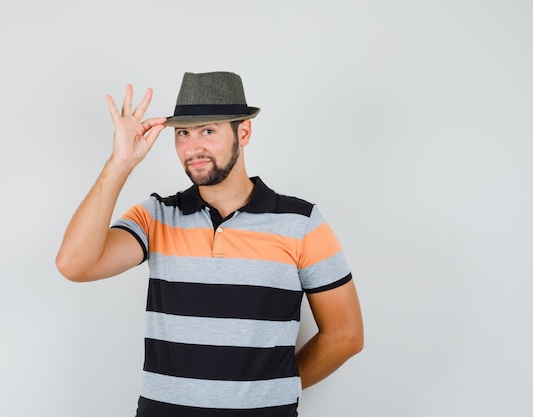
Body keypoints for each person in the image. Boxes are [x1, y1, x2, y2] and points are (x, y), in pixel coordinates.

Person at [56, 71, 363, 417]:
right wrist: (120, 163)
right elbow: (74, 264)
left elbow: (346, 334)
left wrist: (276, 387)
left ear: (243, 132)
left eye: (208, 131)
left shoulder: (301, 222)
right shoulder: (157, 216)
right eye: (183, 133)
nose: (193, 147)